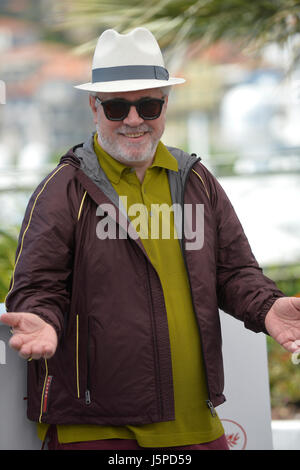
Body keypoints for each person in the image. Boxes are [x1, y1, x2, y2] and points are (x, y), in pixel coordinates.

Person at [1, 27, 300, 451]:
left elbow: (235, 273)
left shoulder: (196, 180)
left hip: (196, 422)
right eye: (117, 107)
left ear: (165, 104)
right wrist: (42, 319)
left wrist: (268, 306)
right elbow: (36, 286)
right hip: (94, 430)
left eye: (148, 104)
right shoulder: (63, 189)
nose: (134, 119)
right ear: (94, 107)